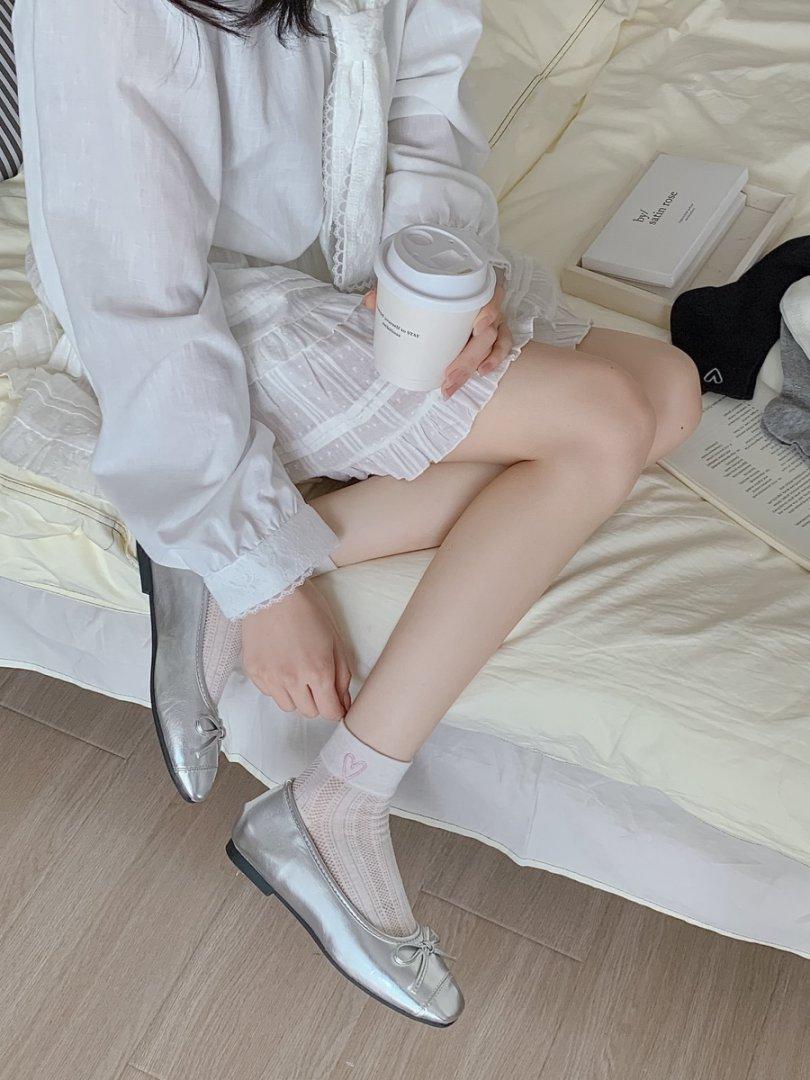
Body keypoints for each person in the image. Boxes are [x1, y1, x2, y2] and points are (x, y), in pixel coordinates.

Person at [14, 0, 702, 1024]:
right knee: (601, 425)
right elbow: (139, 302)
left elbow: (425, 91)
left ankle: (207, 569)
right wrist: (271, 588)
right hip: (191, 342)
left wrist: (444, 268)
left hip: (348, 280)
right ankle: (337, 799)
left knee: (670, 390)